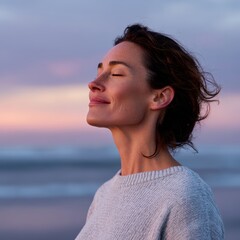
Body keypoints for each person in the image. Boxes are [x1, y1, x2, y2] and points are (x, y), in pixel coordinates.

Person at [75, 24, 224, 240]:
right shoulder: (104, 195)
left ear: (159, 97)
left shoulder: (185, 194)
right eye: (99, 72)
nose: (94, 84)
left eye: (116, 73)